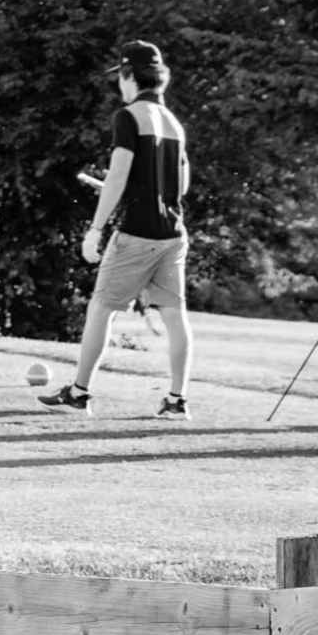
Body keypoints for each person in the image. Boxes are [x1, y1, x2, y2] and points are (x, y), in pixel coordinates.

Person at [42, 40, 195, 417]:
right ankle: (177, 401)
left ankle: (78, 394)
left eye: (120, 77)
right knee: (175, 315)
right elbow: (182, 184)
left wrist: (95, 229)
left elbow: (119, 176)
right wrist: (134, 181)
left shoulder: (128, 116)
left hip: (136, 234)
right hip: (173, 236)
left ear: (129, 75)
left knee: (101, 309)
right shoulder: (173, 122)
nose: (118, 85)